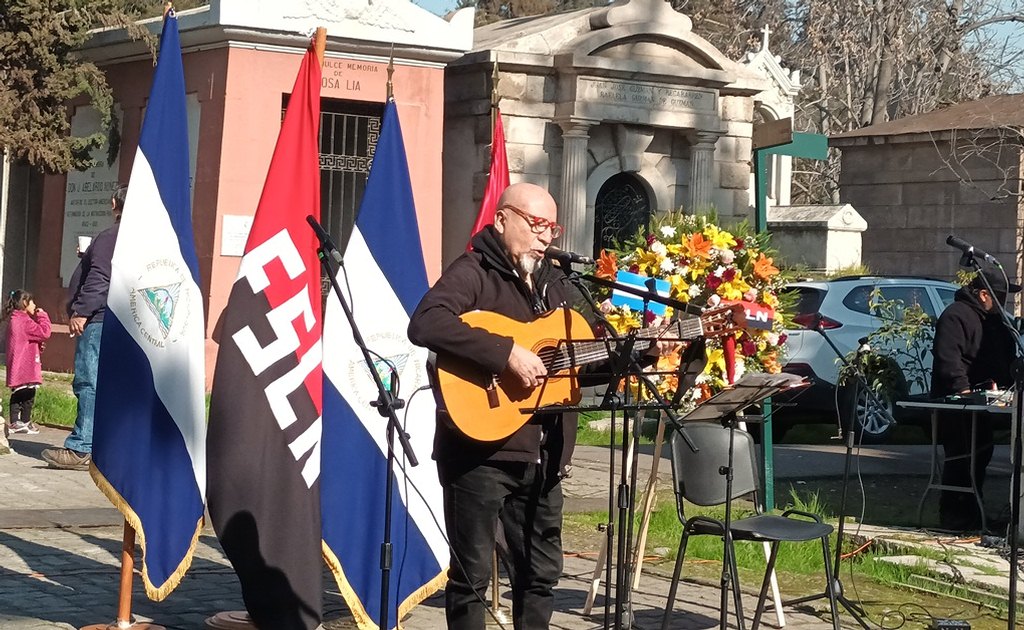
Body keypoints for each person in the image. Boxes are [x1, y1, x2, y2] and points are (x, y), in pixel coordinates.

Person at [408, 182, 670, 629]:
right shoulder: (473, 271)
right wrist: (505, 353)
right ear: (503, 218)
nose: (546, 236)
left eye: (553, 227)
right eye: (536, 224)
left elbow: (577, 369)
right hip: (479, 453)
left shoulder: (557, 283)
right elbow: (426, 322)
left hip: (545, 457)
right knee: (472, 577)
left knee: (540, 575)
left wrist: (641, 352)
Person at [42, 184, 126, 471]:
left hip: (99, 320)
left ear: (114, 203)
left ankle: (81, 447)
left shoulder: (109, 237)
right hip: (124, 323)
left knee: (89, 382)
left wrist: (81, 311)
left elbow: (101, 278)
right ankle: (106, 447)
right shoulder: (141, 238)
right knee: (112, 385)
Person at [930, 267, 1020, 531]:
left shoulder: (995, 322)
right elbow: (949, 359)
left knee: (982, 452)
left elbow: (1004, 357)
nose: (1003, 302)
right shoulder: (955, 316)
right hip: (957, 402)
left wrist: (1007, 384)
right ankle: (954, 515)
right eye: (999, 296)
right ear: (983, 294)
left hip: (986, 400)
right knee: (961, 455)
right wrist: (963, 390)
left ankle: (973, 512)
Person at [4, 290, 52, 435]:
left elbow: (27, 341)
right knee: (22, 394)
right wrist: (42, 315)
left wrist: (36, 345)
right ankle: (16, 422)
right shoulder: (24, 321)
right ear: (25, 303)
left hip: (22, 363)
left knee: (26, 393)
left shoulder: (15, 319)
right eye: (32, 302)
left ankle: (24, 421)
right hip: (25, 366)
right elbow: (45, 332)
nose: (35, 305)